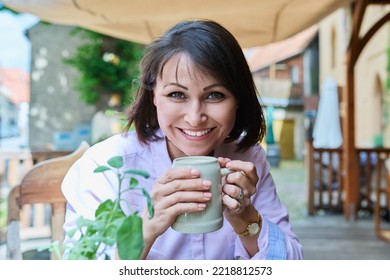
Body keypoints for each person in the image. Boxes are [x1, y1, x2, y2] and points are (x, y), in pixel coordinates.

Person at [62, 19, 303, 260]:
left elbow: (293, 264)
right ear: (153, 94)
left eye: (215, 95)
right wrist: (146, 228)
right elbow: (82, 261)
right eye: (177, 94)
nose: (195, 117)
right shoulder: (106, 166)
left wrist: (245, 217)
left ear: (238, 99)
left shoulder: (248, 160)